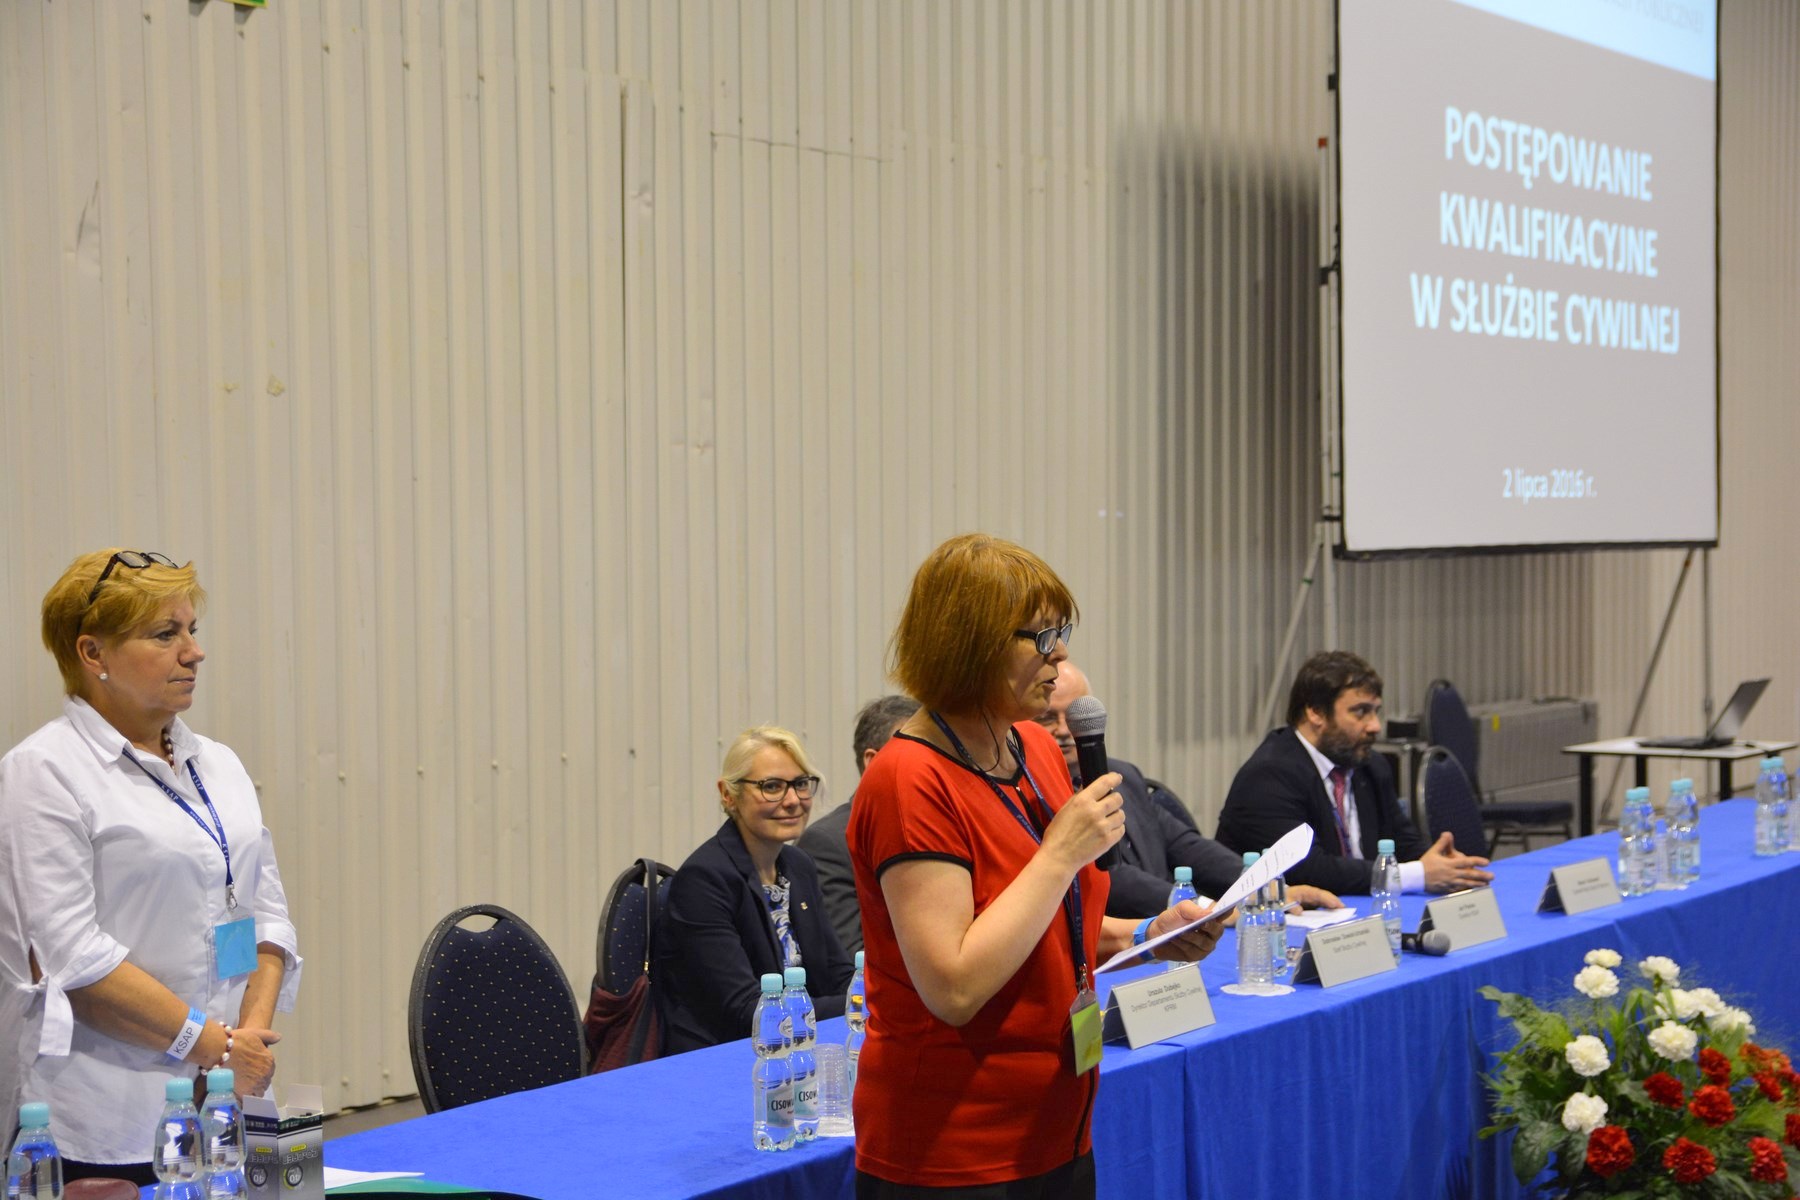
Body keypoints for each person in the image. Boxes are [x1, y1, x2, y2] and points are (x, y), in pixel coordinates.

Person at [848, 534, 1221, 1197]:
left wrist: (1147, 935)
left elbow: (1046, 927)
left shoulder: (1033, 749)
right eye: (1042, 637)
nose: (1061, 655)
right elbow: (954, 988)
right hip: (954, 1150)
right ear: (971, 643)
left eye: (1062, 632)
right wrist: (1060, 853)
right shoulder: (909, 780)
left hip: (1057, 1127)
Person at [0, 550, 301, 1186]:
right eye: (165, 635)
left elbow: (265, 915)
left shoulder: (218, 763)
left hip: (231, 1095)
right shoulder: (44, 772)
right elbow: (71, 957)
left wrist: (243, 1048)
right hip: (112, 1115)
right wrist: (215, 1045)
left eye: (192, 630)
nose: (194, 652)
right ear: (93, 654)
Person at [1036, 663, 1341, 918]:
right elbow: (1108, 878)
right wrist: (1204, 908)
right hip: (1116, 938)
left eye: (1073, 717)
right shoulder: (1035, 793)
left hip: (1168, 930)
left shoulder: (1123, 775)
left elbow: (1185, 844)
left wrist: (1262, 887)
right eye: (1049, 717)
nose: (1064, 730)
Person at [1214, 650, 1494, 895]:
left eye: (1375, 712)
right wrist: (1416, 874)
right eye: (1361, 712)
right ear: (1316, 713)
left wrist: (1441, 865)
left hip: (1358, 912)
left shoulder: (1370, 765)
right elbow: (1309, 869)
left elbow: (1402, 842)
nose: (1375, 726)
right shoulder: (1268, 775)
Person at [654, 726, 855, 1054]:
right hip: (724, 1057)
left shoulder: (798, 865)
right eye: (771, 787)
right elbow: (747, 1011)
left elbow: (836, 972)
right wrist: (864, 1002)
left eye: (800, 784)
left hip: (796, 1043)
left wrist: (873, 995)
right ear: (728, 794)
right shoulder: (704, 879)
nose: (792, 801)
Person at [797, 695, 917, 954]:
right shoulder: (828, 843)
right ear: (873, 761)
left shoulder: (941, 830)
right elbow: (852, 956)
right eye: (918, 754)